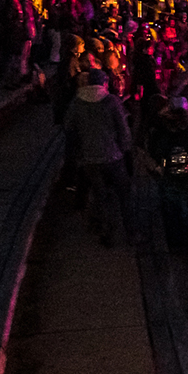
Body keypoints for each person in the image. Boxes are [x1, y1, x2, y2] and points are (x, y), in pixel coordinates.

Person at [65, 69, 136, 246]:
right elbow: (123, 129)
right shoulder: (111, 101)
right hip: (113, 156)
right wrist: (125, 150)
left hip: (89, 159)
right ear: (104, 82)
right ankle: (131, 233)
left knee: (99, 195)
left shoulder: (77, 102)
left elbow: (69, 128)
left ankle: (105, 231)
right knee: (124, 194)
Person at [145, 96, 188, 251]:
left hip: (169, 175)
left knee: (172, 210)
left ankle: (176, 243)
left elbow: (153, 151)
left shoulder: (160, 127)